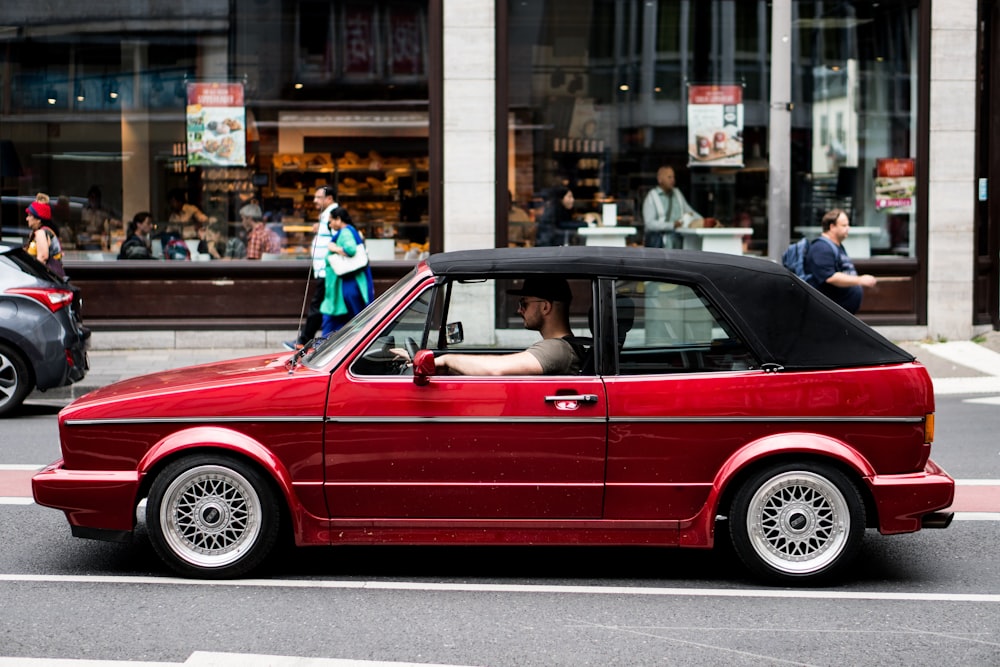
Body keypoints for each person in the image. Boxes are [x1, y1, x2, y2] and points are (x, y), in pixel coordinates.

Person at [434, 277, 581, 375]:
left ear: (545, 307)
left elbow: (495, 369)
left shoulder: (556, 349)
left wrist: (446, 359)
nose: (519, 310)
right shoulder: (562, 348)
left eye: (524, 304)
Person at [286, 185, 337, 350]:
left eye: (318, 197)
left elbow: (338, 238)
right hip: (324, 269)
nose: (315, 200)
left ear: (329, 199)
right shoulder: (326, 215)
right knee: (322, 305)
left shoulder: (333, 215)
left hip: (327, 270)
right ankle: (309, 339)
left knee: (318, 305)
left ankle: (303, 341)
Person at [804, 208, 877, 314]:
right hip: (827, 313)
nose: (848, 228)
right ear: (832, 226)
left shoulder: (836, 246)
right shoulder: (821, 247)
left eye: (848, 225)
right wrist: (859, 280)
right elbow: (829, 277)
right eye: (844, 225)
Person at [320, 206, 374, 335]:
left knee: (353, 316)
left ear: (338, 219)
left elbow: (350, 250)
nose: (330, 224)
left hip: (349, 283)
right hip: (349, 282)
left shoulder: (345, 232)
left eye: (331, 221)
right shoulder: (350, 230)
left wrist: (334, 248)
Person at [641, 165, 703, 248]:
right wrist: (672, 225)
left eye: (673, 177)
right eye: (669, 177)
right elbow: (649, 224)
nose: (673, 180)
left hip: (678, 241)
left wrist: (705, 221)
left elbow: (689, 211)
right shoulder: (652, 197)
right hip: (660, 244)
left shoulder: (677, 193)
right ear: (660, 180)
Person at [24, 200, 66, 278]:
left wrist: (32, 276)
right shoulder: (38, 233)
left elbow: (42, 257)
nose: (27, 218)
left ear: (38, 219)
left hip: (48, 279)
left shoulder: (41, 233)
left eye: (29, 215)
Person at [80, 185, 121, 251]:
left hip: (99, 240)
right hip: (85, 240)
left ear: (99, 199)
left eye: (96, 197)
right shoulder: (84, 211)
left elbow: (115, 222)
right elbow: (79, 228)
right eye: (91, 197)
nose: (94, 200)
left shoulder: (103, 212)